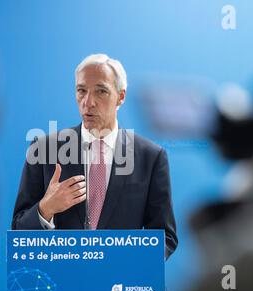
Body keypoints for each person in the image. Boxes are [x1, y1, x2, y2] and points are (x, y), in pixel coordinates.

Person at [12, 54, 178, 258]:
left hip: (120, 283)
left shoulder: (151, 157)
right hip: (60, 283)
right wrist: (45, 209)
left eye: (101, 91)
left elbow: (164, 237)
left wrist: (127, 266)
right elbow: (18, 232)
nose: (88, 102)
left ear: (121, 96)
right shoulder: (43, 150)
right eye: (81, 91)